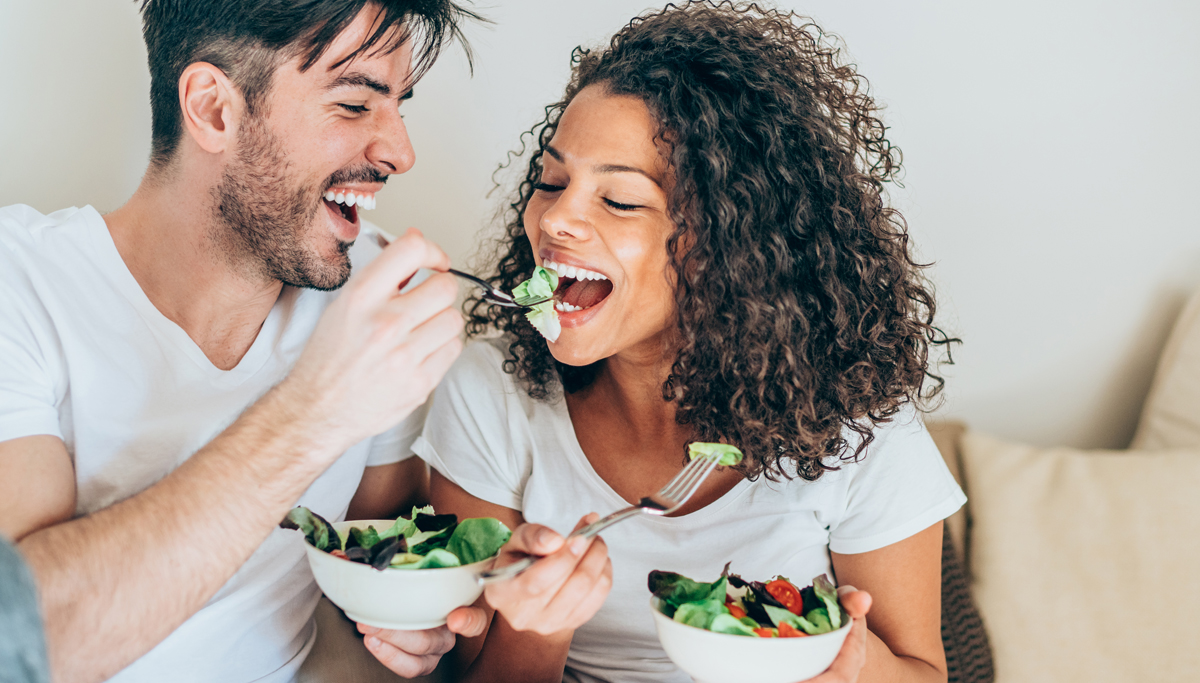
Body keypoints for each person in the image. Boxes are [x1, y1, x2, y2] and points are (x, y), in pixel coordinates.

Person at [397, 2, 967, 682]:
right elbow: (471, 675)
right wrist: (535, 625)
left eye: (620, 200)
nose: (555, 218)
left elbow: (922, 673)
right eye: (552, 181)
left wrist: (851, 661)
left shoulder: (858, 420)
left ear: (731, 244)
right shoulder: (492, 392)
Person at [0, 1, 492, 681]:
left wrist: (415, 619)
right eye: (355, 104)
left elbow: (379, 556)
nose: (399, 152)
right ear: (213, 109)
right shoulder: (18, 285)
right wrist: (317, 410)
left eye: (399, 104)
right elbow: (31, 643)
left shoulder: (374, 295)